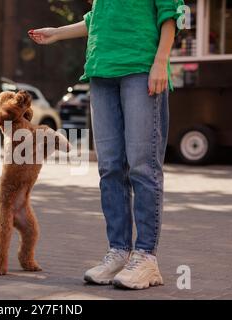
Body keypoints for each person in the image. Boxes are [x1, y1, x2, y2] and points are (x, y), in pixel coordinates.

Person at [29, 0, 184, 289]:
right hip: (101, 72)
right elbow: (101, 18)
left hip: (140, 68)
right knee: (110, 168)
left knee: (142, 166)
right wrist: (58, 33)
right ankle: (119, 252)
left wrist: (161, 61)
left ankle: (146, 258)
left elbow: (170, 13)